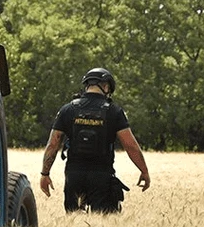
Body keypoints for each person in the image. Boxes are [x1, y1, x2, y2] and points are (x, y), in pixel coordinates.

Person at [40, 67, 150, 213]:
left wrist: (45, 174)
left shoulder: (68, 109)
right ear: (105, 86)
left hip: (74, 175)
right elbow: (131, 146)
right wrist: (144, 171)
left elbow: (53, 144)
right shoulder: (114, 111)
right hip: (102, 176)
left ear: (87, 85)